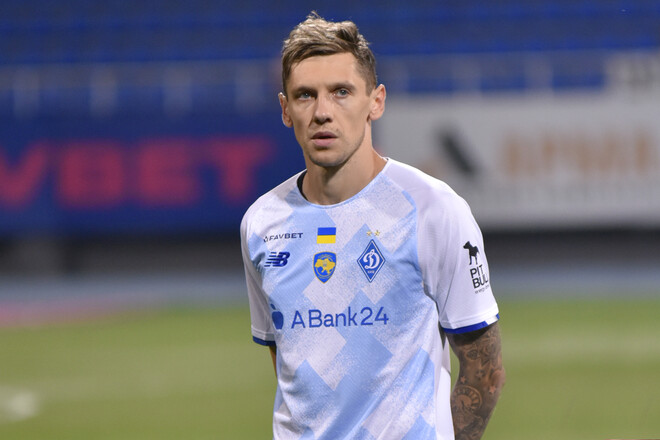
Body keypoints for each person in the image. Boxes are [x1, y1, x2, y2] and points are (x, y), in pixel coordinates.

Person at [240, 12, 505, 440]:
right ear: (286, 110)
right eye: (305, 95)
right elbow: (287, 362)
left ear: (375, 102)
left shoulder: (433, 210)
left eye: (341, 92)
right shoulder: (262, 223)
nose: (322, 112)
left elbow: (485, 373)